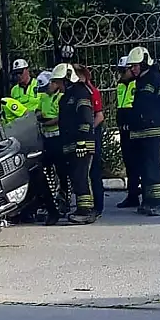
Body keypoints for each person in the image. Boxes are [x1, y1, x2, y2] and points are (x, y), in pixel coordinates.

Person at [126, 46, 160, 216]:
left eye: (135, 66)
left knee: (152, 166)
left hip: (153, 131)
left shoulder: (155, 79)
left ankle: (157, 202)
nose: (133, 69)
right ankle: (147, 200)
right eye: (131, 66)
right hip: (141, 132)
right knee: (144, 168)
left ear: (144, 64)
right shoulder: (140, 81)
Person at [51, 62, 97, 225]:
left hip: (82, 143)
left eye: (59, 82)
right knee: (76, 177)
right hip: (72, 144)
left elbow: (86, 118)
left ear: (67, 79)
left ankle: (86, 211)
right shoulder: (67, 97)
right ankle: (81, 208)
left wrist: (82, 141)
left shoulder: (80, 92)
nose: (57, 86)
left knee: (81, 176)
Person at [35, 70, 69, 225]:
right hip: (46, 138)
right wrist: (38, 116)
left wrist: (45, 122)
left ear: (54, 83)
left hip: (58, 137)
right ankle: (50, 202)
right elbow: (38, 110)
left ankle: (64, 199)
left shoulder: (61, 97)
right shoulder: (44, 96)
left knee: (62, 172)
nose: (45, 90)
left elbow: (60, 118)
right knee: (46, 171)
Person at [74, 64, 105, 219]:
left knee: (94, 172)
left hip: (92, 135)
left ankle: (97, 206)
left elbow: (99, 116)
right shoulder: (75, 92)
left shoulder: (91, 92)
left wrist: (88, 129)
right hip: (82, 137)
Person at [114, 55, 141, 208]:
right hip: (123, 129)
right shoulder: (120, 85)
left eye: (123, 71)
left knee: (137, 162)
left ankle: (140, 192)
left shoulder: (137, 83)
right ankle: (132, 195)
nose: (121, 74)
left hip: (134, 128)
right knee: (129, 163)